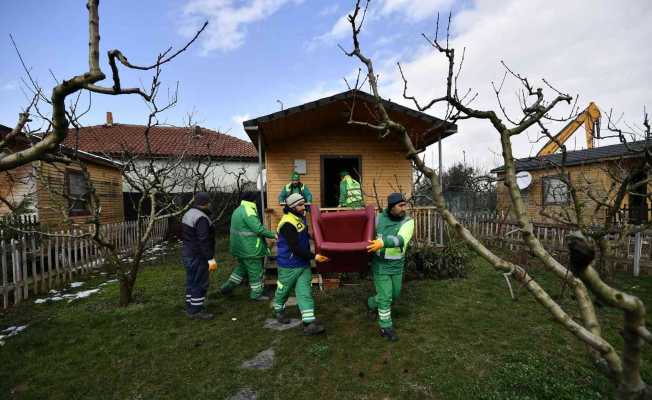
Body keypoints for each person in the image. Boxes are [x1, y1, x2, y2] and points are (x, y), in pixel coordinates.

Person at [273, 193, 329, 335]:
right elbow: (295, 248)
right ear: (292, 207)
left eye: (303, 204)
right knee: (283, 290)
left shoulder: (299, 217)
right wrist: (314, 256)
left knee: (305, 292)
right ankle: (278, 310)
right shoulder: (287, 223)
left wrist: (313, 235)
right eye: (300, 205)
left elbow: (302, 234)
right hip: (289, 265)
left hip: (302, 264)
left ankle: (309, 323)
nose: (303, 207)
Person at [366, 193, 414, 341]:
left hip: (397, 265)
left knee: (394, 294)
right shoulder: (378, 218)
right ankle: (385, 326)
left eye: (404, 205)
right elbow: (367, 232)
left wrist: (383, 242)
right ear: (391, 207)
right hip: (380, 265)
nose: (403, 208)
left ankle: (372, 302)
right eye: (400, 206)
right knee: (386, 297)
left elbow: (401, 239)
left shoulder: (408, 221)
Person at [221, 191, 277, 300]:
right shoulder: (249, 211)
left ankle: (226, 288)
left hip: (239, 248)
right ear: (254, 201)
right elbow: (258, 229)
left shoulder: (238, 210)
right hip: (250, 249)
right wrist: (273, 235)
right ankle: (256, 294)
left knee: (240, 270)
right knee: (256, 272)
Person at [181, 192, 217, 320]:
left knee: (191, 281)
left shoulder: (188, 214)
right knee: (200, 282)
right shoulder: (201, 218)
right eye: (209, 202)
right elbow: (204, 240)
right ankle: (196, 311)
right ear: (206, 203)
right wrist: (210, 259)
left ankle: (190, 306)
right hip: (198, 255)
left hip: (187, 253)